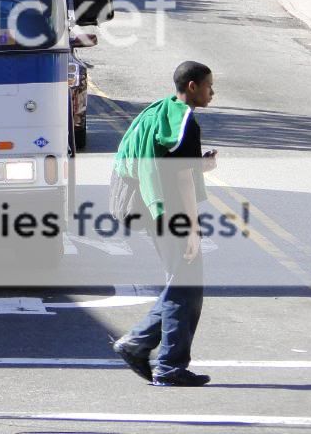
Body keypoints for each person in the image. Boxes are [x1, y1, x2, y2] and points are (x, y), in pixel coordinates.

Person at [111, 61, 217, 387]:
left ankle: (140, 344)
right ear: (192, 87)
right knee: (182, 284)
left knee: (183, 285)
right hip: (167, 210)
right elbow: (183, 179)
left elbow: (170, 163)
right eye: (209, 86)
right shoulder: (186, 122)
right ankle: (168, 365)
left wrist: (200, 165)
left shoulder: (162, 111)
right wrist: (194, 230)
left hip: (146, 202)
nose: (213, 92)